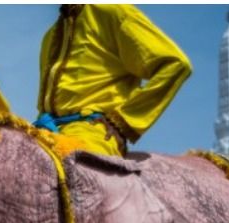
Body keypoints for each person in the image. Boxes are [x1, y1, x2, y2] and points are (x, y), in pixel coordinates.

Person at [36, 4, 191, 157]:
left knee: (68, 168)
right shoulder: (49, 36)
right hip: (44, 132)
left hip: (93, 133)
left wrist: (122, 122)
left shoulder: (114, 12)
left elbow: (176, 64)